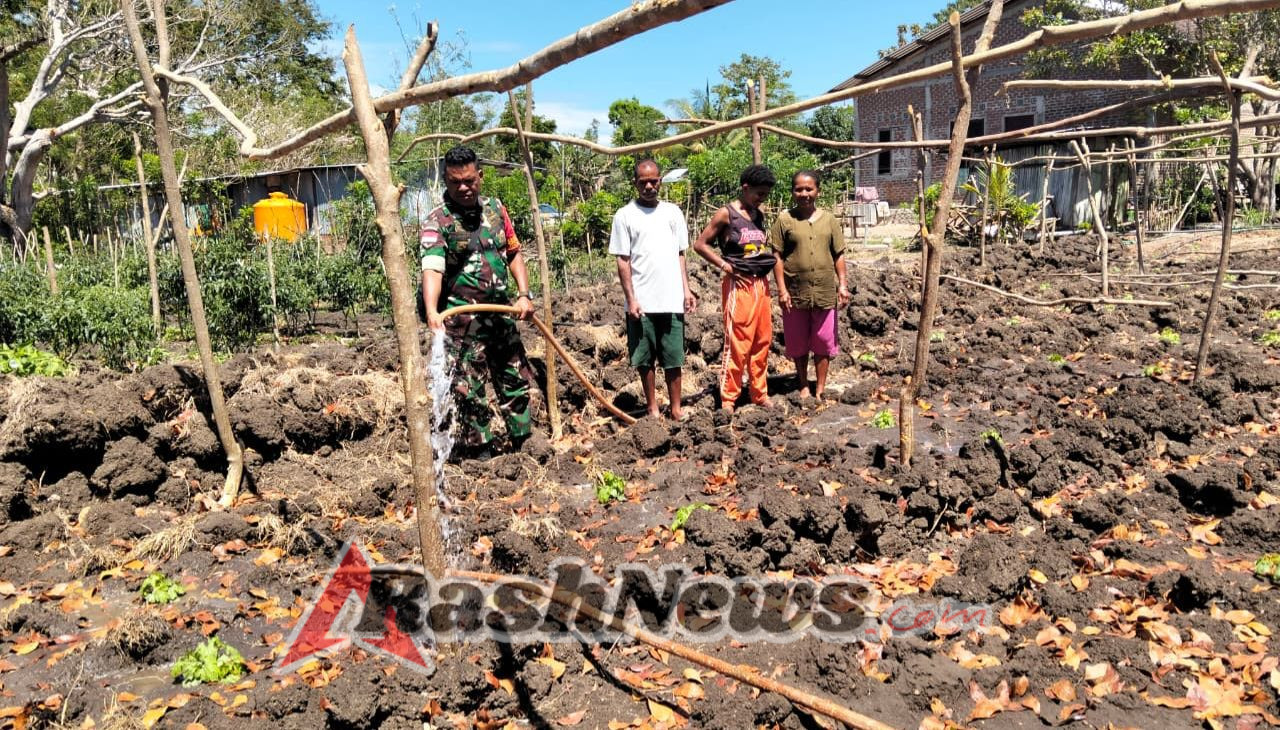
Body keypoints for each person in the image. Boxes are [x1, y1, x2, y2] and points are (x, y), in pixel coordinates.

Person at [420, 145, 536, 456]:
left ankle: (524, 441)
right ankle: (480, 448)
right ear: (445, 180)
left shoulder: (496, 210)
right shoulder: (438, 221)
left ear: (480, 177)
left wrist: (524, 294)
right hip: (462, 323)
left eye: (469, 180)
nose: (463, 188)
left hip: (501, 315)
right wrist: (432, 310)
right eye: (455, 181)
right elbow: (432, 267)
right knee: (468, 388)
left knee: (515, 378)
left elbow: (513, 252)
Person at [609, 159, 696, 420]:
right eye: (643, 182)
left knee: (673, 357)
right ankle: (652, 407)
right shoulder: (624, 215)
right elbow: (623, 260)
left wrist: (686, 289)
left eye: (654, 181)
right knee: (644, 358)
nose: (649, 186)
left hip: (670, 299)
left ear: (660, 181)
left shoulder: (673, 213)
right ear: (635, 183)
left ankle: (676, 408)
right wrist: (631, 298)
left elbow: (680, 254)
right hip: (642, 302)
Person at [693, 164, 777, 412]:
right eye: (759, 193)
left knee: (762, 340)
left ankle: (759, 394)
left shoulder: (758, 215)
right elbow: (700, 244)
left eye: (766, 194)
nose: (762, 199)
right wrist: (724, 266)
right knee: (738, 341)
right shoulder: (726, 214)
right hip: (738, 284)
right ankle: (729, 398)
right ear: (745, 188)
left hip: (761, 284)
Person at [772, 170, 850, 401]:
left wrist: (843, 285)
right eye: (799, 189)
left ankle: (820, 388)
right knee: (797, 340)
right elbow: (776, 256)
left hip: (825, 290)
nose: (804, 194)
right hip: (795, 291)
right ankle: (803, 384)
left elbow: (839, 255)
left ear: (818, 191)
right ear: (792, 192)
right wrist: (782, 290)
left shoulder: (829, 220)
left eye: (809, 189)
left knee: (824, 341)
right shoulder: (785, 220)